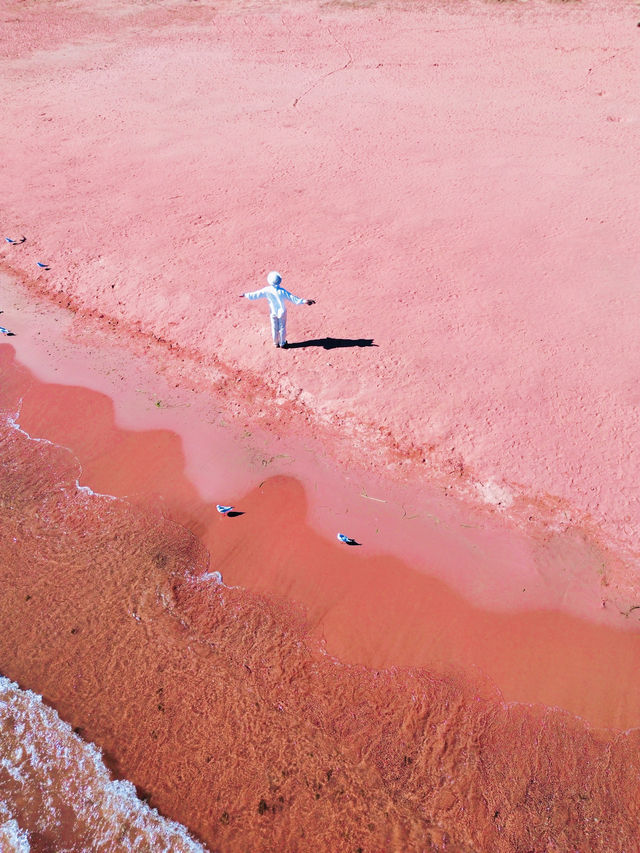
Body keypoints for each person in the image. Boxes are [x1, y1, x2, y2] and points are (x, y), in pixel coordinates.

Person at [240, 271, 315, 348]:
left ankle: (276, 343)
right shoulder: (282, 291)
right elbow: (293, 299)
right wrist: (305, 301)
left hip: (273, 312)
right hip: (282, 312)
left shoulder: (267, 290)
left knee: (274, 327)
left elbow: (255, 295)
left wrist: (245, 295)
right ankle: (282, 343)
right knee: (282, 327)